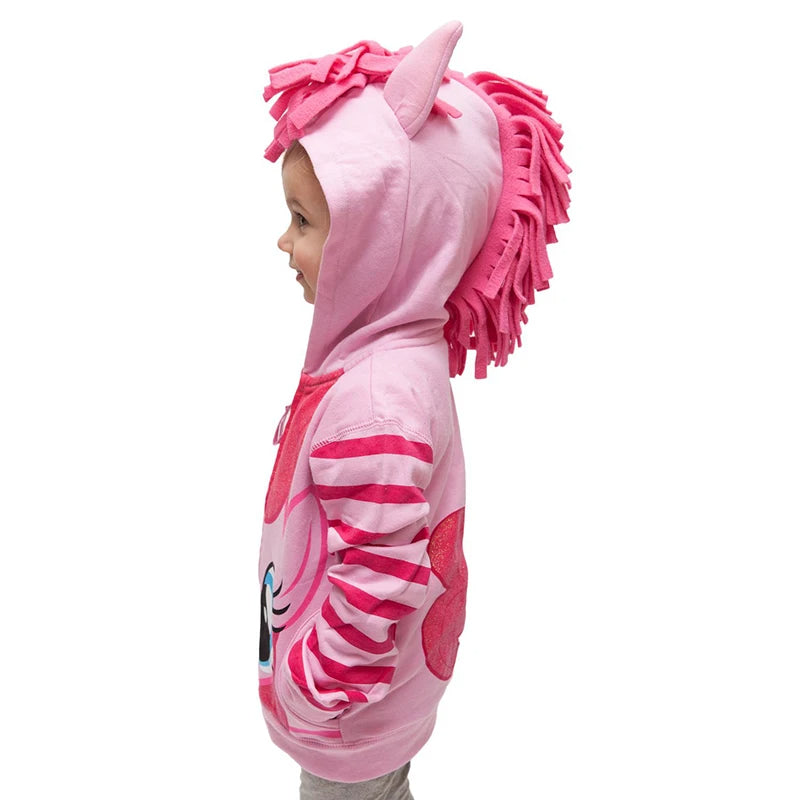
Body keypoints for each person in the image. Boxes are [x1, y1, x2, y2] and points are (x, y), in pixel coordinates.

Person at [258, 20, 572, 799]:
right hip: (377, 713)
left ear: (385, 237)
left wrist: (313, 690)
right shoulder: (388, 359)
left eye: (305, 221)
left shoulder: (376, 402)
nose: (283, 242)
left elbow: (373, 576)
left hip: (346, 721)